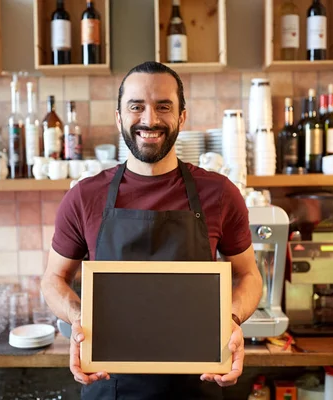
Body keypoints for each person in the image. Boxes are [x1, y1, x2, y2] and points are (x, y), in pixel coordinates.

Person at [41, 61, 263, 399]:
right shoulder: (85, 197)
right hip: (110, 385)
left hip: (197, 386)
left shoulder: (219, 193)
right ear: (119, 117)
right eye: (136, 106)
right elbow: (53, 279)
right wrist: (79, 320)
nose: (150, 119)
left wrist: (230, 319)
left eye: (163, 106)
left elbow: (249, 275)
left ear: (182, 117)